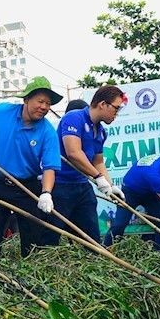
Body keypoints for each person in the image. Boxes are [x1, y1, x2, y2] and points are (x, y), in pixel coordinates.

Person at [0, 76, 62, 257]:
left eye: (48, 103)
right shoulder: (4, 112)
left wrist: (46, 193)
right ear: (26, 99)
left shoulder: (47, 131)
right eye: (40, 101)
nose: (44, 107)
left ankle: (28, 275)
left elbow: (50, 167)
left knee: (32, 241)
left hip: (27, 187)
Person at [52, 85, 126, 244]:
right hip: (59, 185)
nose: (116, 114)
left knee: (91, 237)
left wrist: (110, 185)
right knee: (51, 235)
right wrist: (98, 177)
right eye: (116, 108)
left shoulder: (101, 131)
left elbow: (98, 161)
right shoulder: (74, 118)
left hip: (81, 185)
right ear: (102, 104)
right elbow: (73, 153)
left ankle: (93, 257)